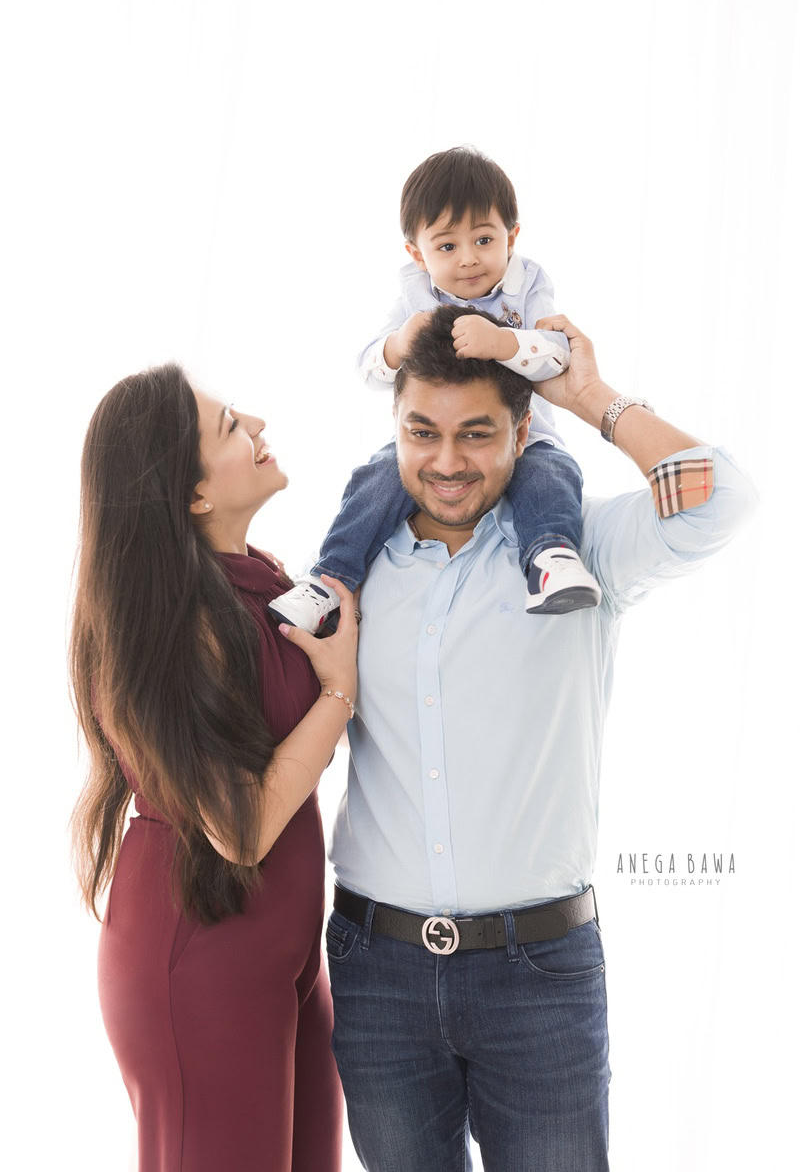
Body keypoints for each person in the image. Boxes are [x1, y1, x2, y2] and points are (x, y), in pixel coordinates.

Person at [324, 305, 757, 1171]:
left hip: (539, 978)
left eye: (477, 433)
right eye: (422, 432)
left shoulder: (576, 549)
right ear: (394, 428)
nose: (447, 461)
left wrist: (591, 396)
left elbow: (722, 501)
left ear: (523, 434)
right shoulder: (351, 572)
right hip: (377, 974)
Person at [70, 364, 357, 1171]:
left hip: (282, 958)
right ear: (192, 494)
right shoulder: (173, 629)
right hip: (202, 963)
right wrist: (338, 692)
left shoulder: (257, 579)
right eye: (231, 425)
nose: (258, 423)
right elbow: (241, 827)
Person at [269, 146, 601, 632]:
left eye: (484, 239)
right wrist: (399, 343)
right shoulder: (415, 295)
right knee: (376, 481)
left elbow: (558, 353)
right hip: (428, 434)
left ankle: (551, 560)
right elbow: (368, 368)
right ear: (417, 253)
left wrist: (505, 342)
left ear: (511, 237)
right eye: (447, 247)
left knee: (552, 477)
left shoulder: (527, 285)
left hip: (523, 438)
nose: (468, 259)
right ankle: (327, 580)